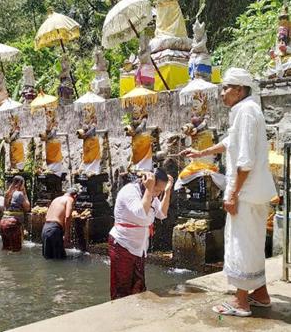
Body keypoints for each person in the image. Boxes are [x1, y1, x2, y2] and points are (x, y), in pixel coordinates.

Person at [181, 68, 277, 317]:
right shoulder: (247, 111)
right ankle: (261, 294)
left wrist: (232, 194)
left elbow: (244, 161)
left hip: (245, 192)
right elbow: (229, 142)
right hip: (255, 191)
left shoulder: (246, 112)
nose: (222, 93)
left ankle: (241, 302)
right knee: (253, 244)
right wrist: (200, 153)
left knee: (240, 244)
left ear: (240, 90)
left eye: (226, 88)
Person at [108, 168, 173, 300]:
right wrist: (149, 190)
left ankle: (136, 315)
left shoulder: (151, 195)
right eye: (157, 190)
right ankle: (119, 316)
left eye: (160, 191)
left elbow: (162, 214)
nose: (157, 194)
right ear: (147, 182)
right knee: (122, 287)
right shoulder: (130, 191)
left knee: (138, 286)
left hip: (139, 247)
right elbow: (140, 212)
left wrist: (167, 192)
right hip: (123, 243)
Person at [41, 188, 78, 259]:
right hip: (54, 230)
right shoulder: (69, 199)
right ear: (75, 196)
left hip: (45, 229)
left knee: (49, 258)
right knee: (59, 259)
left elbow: (46, 216)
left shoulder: (56, 199)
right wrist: (67, 234)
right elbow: (67, 217)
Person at [0, 176, 31, 251]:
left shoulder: (7, 193)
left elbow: (5, 206)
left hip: (3, 222)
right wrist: (25, 194)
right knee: (16, 251)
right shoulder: (19, 194)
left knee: (6, 248)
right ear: (21, 184)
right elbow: (27, 208)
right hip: (12, 223)